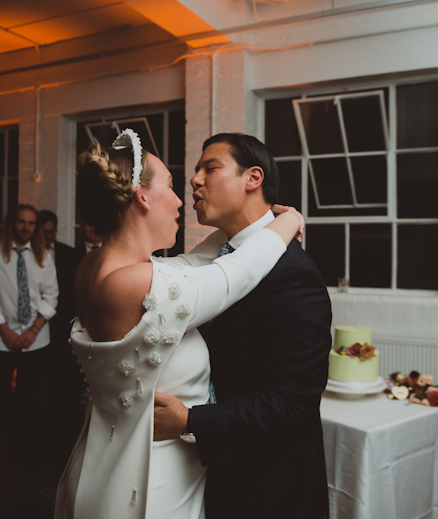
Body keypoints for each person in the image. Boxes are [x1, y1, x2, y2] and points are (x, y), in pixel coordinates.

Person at [53, 129, 304, 519]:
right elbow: (234, 272)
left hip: (103, 461)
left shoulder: (97, 267)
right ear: (142, 196)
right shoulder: (134, 283)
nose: (181, 196)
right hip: (148, 485)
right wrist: (290, 221)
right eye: (170, 186)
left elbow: (195, 264)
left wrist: (250, 221)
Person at [153, 133, 332, 519]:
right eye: (195, 171)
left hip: (268, 486)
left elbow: (293, 405)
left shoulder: (293, 274)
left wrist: (188, 421)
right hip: (217, 471)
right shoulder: (220, 256)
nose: (195, 180)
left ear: (254, 178)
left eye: (210, 168)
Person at [0, 203, 58, 470]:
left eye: (31, 223)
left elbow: (51, 295)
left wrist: (33, 330)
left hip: (37, 339)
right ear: (12, 223)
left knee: (28, 401)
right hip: (2, 338)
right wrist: (5, 330)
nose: (26, 227)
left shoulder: (43, 255)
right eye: (21, 222)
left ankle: (22, 457)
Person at [38, 210, 84, 461]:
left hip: (61, 332)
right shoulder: (25, 255)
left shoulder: (69, 254)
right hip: (34, 332)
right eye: (43, 232)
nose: (48, 236)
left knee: (64, 389)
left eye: (52, 231)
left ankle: (62, 447)